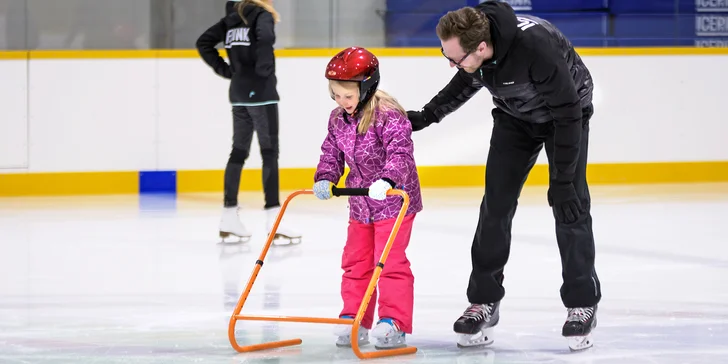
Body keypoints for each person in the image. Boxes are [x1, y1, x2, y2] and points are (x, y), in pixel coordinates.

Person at [406, 1, 601, 351]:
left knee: (570, 207)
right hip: (515, 119)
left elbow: (569, 113)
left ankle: (581, 302)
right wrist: (429, 115)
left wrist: (562, 182)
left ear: (481, 47)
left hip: (566, 118)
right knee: (495, 206)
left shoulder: (535, 48)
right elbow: (466, 80)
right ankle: (484, 300)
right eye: (446, 56)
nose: (451, 64)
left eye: (455, 58)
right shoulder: (476, 49)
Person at [312, 47, 423, 350]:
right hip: (360, 205)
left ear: (367, 87)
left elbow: (401, 154)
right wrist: (325, 177)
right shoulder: (338, 119)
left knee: (389, 263)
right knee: (356, 262)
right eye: (335, 95)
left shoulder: (389, 116)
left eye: (347, 96)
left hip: (394, 202)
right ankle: (355, 317)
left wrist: (387, 180)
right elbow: (331, 153)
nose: (341, 102)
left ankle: (394, 322)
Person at [196, 0, 301, 244]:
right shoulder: (262, 15)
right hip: (262, 96)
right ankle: (274, 220)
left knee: (238, 152)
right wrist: (263, 72)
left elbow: (204, 42)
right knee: (269, 153)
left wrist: (227, 71)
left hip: (239, 96)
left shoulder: (231, 19)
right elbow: (265, 38)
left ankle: (228, 216)